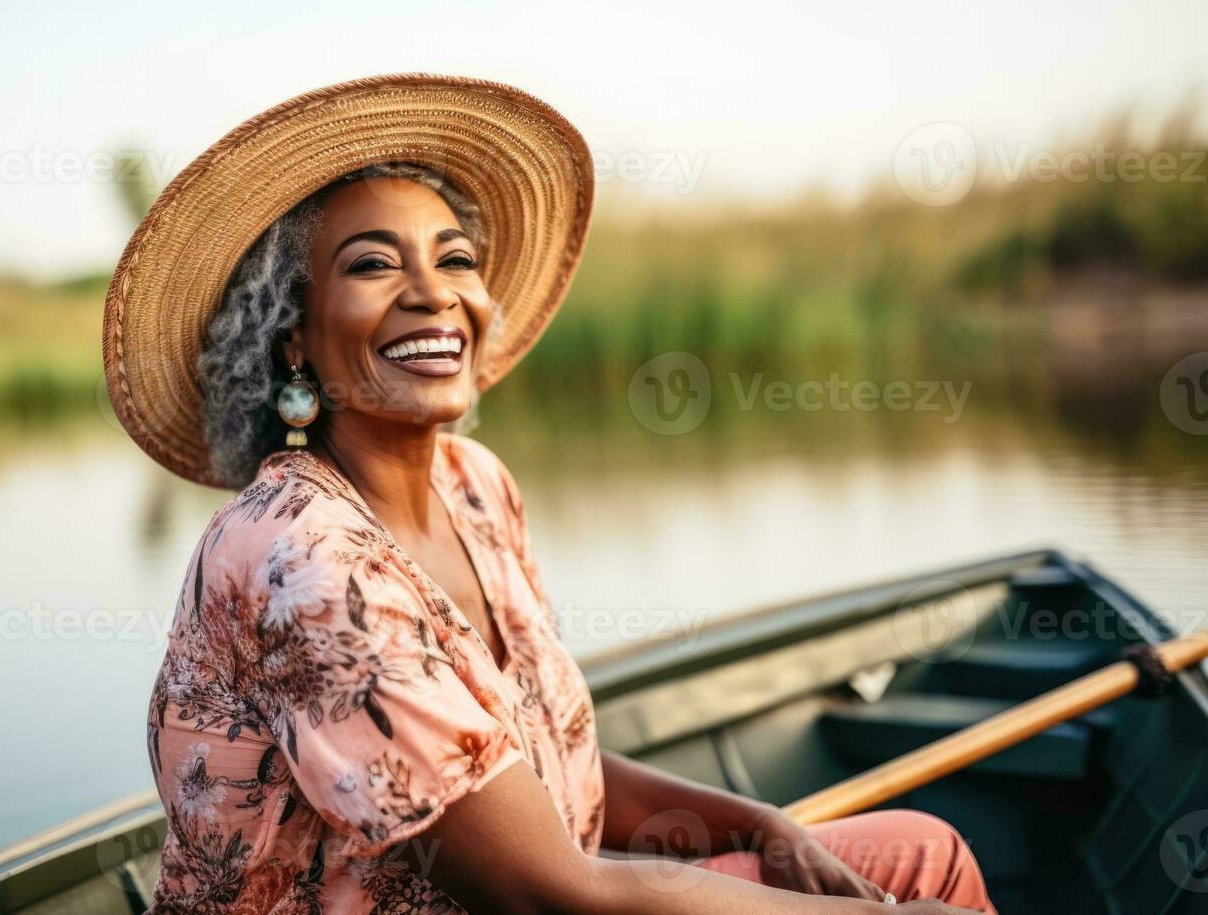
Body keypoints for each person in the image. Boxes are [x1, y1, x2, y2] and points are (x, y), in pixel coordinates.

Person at [102, 73, 996, 914]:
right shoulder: (297, 556)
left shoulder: (476, 487)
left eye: (455, 260)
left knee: (925, 851)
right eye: (374, 265)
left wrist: (761, 824)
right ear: (291, 334)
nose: (433, 295)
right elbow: (553, 896)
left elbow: (530, 766)